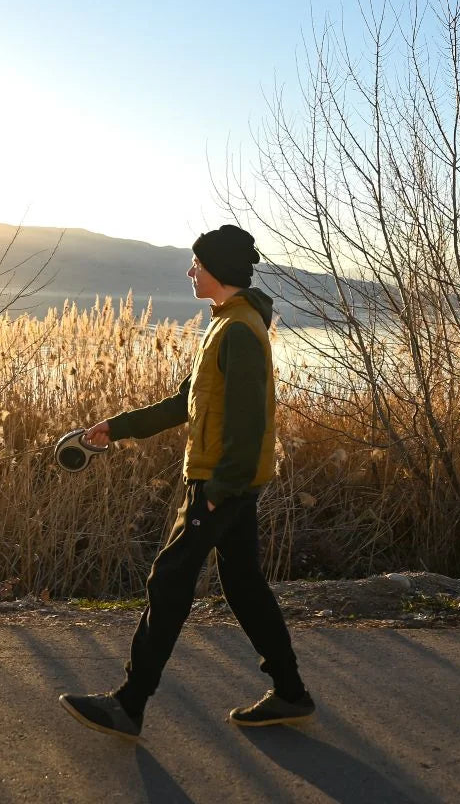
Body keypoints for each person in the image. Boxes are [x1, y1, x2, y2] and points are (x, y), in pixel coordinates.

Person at [59, 224, 314, 743]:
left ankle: (129, 705)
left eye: (196, 264)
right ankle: (290, 693)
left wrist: (220, 491)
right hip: (229, 483)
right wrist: (117, 427)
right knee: (243, 586)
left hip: (220, 485)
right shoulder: (226, 325)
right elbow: (186, 402)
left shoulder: (239, 331)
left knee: (169, 580)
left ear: (215, 269)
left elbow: (248, 423)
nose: (189, 272)